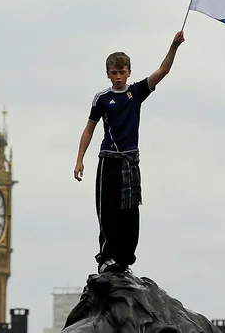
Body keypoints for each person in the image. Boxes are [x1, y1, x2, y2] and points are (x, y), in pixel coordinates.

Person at [73, 30, 185, 274]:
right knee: (107, 211)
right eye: (114, 73)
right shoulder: (102, 99)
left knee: (130, 214)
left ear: (129, 72)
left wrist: (174, 45)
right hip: (109, 161)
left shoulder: (136, 93)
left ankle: (124, 261)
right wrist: (80, 160)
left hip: (130, 162)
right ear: (108, 74)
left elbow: (163, 71)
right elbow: (89, 129)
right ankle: (106, 258)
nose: (118, 78)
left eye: (122, 72)